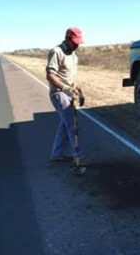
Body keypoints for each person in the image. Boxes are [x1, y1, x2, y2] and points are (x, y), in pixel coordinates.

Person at [46, 27, 89, 171]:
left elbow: (69, 77)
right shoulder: (56, 52)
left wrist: (76, 89)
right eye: (75, 42)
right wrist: (64, 88)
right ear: (67, 39)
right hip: (59, 93)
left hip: (69, 93)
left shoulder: (73, 54)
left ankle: (57, 154)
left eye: (78, 42)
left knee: (65, 124)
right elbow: (50, 75)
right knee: (72, 125)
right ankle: (79, 158)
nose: (77, 45)